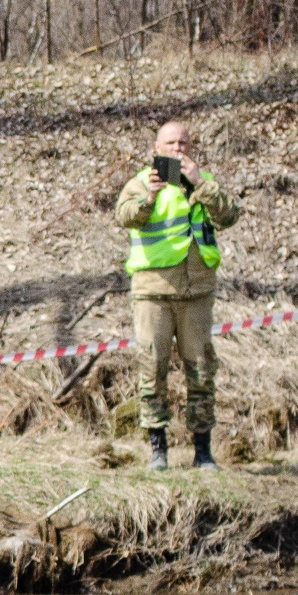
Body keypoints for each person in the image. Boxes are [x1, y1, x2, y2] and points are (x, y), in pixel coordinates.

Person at [115, 120, 241, 470]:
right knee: (152, 367)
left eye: (183, 143)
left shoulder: (205, 181)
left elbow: (229, 215)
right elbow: (124, 217)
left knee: (200, 369)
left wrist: (200, 183)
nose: (177, 150)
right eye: (170, 144)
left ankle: (202, 452)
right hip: (153, 291)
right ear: (157, 148)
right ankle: (158, 450)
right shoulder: (141, 182)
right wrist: (150, 196)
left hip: (197, 291)